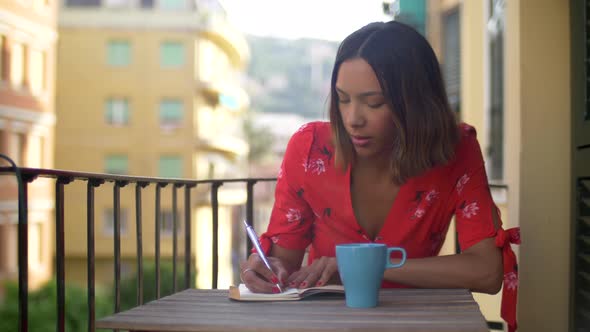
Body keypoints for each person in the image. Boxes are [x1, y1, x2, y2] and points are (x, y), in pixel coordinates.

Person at [240, 21, 520, 332]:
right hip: (324, 323)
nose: (352, 119)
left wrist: (367, 265)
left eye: (374, 103)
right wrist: (265, 269)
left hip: (417, 322)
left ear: (416, 103)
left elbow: (487, 272)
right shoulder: (309, 150)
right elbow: (284, 263)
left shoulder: (457, 151)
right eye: (342, 99)